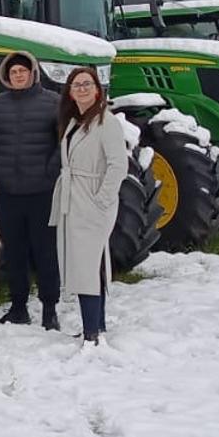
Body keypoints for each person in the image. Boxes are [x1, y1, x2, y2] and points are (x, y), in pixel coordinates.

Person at [0, 51, 64, 328]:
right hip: (7, 193)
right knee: (14, 253)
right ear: (7, 76)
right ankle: (18, 307)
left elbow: (64, 141)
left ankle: (50, 309)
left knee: (45, 252)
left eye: (23, 72)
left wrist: (50, 171)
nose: (18, 76)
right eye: (13, 72)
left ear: (32, 74)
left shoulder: (53, 102)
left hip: (42, 193)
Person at [51, 67, 128, 344]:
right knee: (88, 264)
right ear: (70, 92)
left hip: (93, 200)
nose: (82, 89)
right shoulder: (74, 122)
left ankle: (91, 331)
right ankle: (97, 325)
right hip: (75, 200)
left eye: (87, 84)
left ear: (97, 90)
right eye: (76, 85)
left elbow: (118, 165)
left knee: (87, 264)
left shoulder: (107, 122)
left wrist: (102, 199)